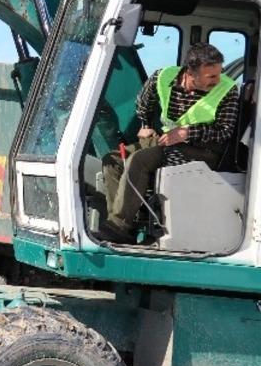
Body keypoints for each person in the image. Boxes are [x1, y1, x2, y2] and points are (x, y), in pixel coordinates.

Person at [99, 42, 240, 244]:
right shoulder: (162, 77)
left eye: (218, 73)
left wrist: (187, 133)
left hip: (203, 148)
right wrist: (146, 124)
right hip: (166, 140)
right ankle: (122, 226)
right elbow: (142, 102)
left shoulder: (227, 90)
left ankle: (119, 226)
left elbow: (224, 133)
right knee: (112, 161)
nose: (218, 80)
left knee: (139, 160)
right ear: (190, 74)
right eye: (211, 76)